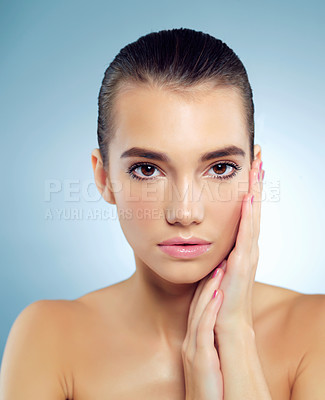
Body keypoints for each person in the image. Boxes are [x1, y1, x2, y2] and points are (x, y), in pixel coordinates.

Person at [0, 27, 324, 400]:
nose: (185, 212)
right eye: (147, 169)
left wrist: (235, 336)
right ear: (104, 177)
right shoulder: (49, 337)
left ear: (254, 175)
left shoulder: (316, 330)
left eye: (220, 168)